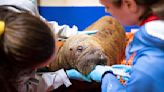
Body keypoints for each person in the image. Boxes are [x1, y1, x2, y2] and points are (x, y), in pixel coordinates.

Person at [88, 0, 164, 92]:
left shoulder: (149, 63)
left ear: (129, 4)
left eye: (107, 7)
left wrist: (107, 78)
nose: (106, 11)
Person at [0, 7, 73, 92]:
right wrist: (64, 76)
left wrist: (72, 33)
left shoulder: (21, 12)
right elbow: (29, 86)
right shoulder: (8, 84)